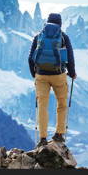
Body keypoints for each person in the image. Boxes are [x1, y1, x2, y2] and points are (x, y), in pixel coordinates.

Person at [28, 13, 77, 147]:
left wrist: (35, 74)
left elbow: (30, 58)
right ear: (60, 24)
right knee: (61, 104)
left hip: (41, 75)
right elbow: (70, 58)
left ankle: (42, 138)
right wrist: (72, 73)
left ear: (47, 22)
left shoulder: (39, 36)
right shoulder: (63, 37)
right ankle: (59, 134)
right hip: (58, 75)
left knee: (42, 106)